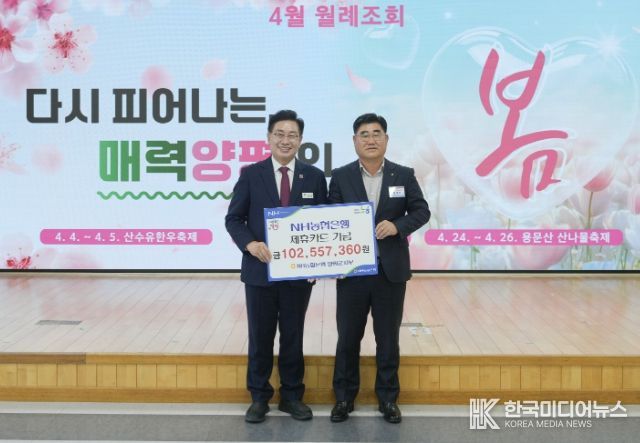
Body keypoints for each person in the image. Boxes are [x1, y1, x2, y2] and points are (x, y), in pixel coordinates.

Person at [225, 110, 328, 423]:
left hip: (298, 273)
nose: (286, 140)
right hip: (260, 271)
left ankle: (292, 396)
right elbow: (234, 219)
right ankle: (259, 398)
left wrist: (319, 260)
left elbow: (323, 222)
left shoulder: (314, 177)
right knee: (260, 336)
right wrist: (250, 244)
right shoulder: (251, 174)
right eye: (280, 134)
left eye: (292, 135)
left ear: (300, 140)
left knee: (293, 336)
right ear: (269, 138)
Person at [329, 113, 430, 424]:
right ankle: (344, 398)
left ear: (386, 139)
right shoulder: (341, 176)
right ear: (354, 140)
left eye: (376, 133)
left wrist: (398, 226)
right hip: (352, 271)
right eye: (364, 134)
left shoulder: (404, 174)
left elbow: (421, 211)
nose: (370, 139)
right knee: (348, 337)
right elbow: (330, 217)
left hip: (390, 271)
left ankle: (388, 399)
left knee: (387, 338)